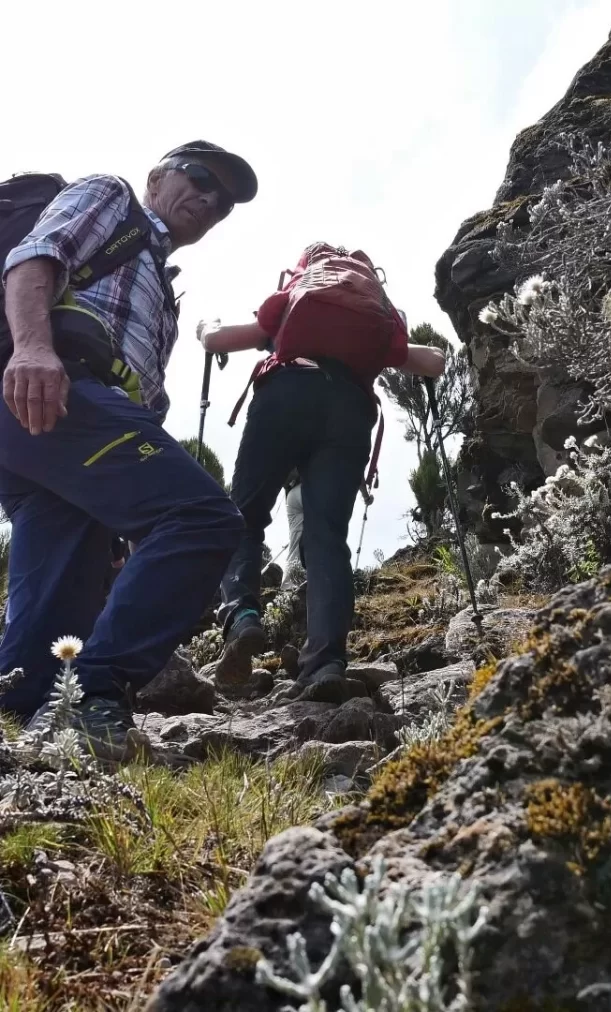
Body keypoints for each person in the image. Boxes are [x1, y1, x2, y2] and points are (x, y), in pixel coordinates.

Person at [0, 141, 258, 759]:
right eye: (199, 179)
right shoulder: (110, 196)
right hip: (55, 388)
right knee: (201, 516)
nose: (209, 199)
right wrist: (33, 348)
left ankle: (20, 719)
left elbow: (148, 404)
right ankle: (91, 701)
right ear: (156, 177)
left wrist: (124, 520)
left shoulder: (163, 295)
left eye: (221, 202)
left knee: (58, 601)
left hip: (57, 439)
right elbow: (34, 255)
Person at [197, 258, 446, 702]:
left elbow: (219, 338)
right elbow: (433, 362)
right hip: (350, 408)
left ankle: (242, 616)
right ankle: (326, 663)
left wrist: (206, 327)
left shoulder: (296, 294)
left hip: (286, 393)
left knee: (245, 516)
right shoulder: (372, 309)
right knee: (326, 538)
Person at [282, 469, 305, 591]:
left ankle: (289, 585)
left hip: (294, 498)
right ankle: (289, 585)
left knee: (296, 543)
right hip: (296, 499)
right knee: (297, 542)